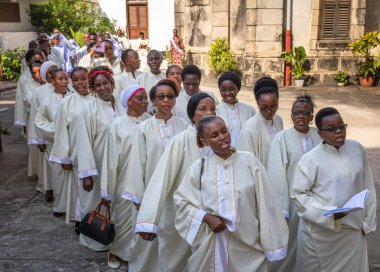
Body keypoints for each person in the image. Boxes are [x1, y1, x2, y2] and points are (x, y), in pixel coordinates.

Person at [174, 115, 289, 271]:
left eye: (224, 131)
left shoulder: (249, 161)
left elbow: (266, 202)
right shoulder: (199, 168)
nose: (222, 137)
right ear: (204, 141)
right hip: (214, 245)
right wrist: (207, 218)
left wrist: (271, 241)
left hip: (250, 244)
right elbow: (181, 201)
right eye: (214, 135)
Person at [127, 93, 216, 271]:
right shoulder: (181, 141)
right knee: (173, 261)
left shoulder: (217, 141)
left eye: (213, 109)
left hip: (208, 215)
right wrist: (148, 220)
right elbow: (161, 179)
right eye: (203, 109)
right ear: (192, 114)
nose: (209, 113)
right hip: (179, 214)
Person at [290, 107, 376, 272]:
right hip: (321, 235)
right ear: (320, 133)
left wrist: (368, 223)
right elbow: (298, 196)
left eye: (342, 126)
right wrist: (330, 213)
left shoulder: (357, 149)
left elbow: (368, 185)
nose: (339, 132)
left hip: (353, 231)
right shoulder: (310, 160)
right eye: (331, 129)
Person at [123, 79, 188, 271]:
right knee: (148, 238)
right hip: (151, 192)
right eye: (161, 97)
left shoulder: (184, 126)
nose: (166, 100)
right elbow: (137, 163)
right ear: (153, 100)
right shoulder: (144, 128)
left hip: (177, 192)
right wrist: (138, 196)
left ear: (175, 99)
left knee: (174, 237)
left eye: (170, 96)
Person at [267, 95, 321, 272]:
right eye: (297, 112)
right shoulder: (282, 138)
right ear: (291, 116)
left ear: (312, 117)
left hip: (317, 200)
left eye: (306, 113)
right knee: (290, 242)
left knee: (313, 241)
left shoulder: (318, 135)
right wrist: (281, 207)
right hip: (292, 201)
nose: (301, 116)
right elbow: (276, 174)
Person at [100, 84, 151, 269]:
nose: (145, 102)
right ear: (129, 102)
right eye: (140, 98)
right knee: (122, 219)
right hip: (123, 181)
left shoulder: (150, 121)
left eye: (146, 98)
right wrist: (108, 191)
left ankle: (135, 255)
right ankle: (115, 251)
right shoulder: (117, 125)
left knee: (141, 219)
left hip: (145, 180)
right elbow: (111, 160)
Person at [76, 66, 125, 251]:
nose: (103, 88)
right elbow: (83, 142)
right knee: (96, 201)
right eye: (98, 85)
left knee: (117, 201)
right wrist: (87, 174)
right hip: (97, 163)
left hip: (119, 164)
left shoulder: (121, 105)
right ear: (93, 88)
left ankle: (117, 238)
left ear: (112, 83)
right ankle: (94, 240)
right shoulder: (88, 110)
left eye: (106, 83)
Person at [49, 67, 95, 228]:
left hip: (97, 152)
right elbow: (61, 130)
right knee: (80, 188)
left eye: (83, 78)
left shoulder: (96, 99)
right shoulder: (66, 103)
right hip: (77, 154)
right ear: (71, 82)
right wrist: (64, 157)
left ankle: (97, 219)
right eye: (76, 80)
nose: (80, 82)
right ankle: (80, 220)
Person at [35, 68, 73, 217]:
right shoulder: (47, 100)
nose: (64, 82)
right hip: (56, 143)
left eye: (66, 78)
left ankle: (73, 205)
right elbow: (40, 121)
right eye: (60, 79)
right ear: (52, 81)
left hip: (73, 142)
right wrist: (58, 129)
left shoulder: (73, 97)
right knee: (58, 174)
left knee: (73, 176)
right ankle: (60, 206)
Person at [237, 76, 283, 168]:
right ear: (257, 103)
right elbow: (245, 161)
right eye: (264, 107)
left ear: (278, 101)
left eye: (273, 106)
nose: (269, 111)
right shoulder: (249, 128)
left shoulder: (278, 120)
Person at [28, 61, 58, 201]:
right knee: (49, 165)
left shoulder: (66, 87)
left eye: (55, 70)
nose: (52, 73)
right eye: (49, 71)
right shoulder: (39, 92)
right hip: (47, 134)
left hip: (62, 133)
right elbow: (35, 116)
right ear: (45, 74)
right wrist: (38, 139)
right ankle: (49, 188)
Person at [216, 72, 256, 147]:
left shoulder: (249, 110)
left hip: (246, 155)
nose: (227, 93)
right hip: (224, 156)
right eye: (223, 90)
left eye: (231, 89)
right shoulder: (215, 111)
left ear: (238, 89)